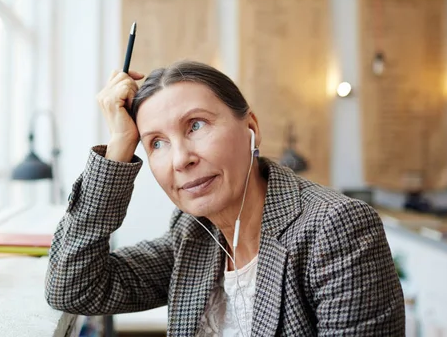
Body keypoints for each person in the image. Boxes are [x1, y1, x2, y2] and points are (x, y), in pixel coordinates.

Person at [45, 60, 405, 336]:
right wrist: (118, 148)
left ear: (251, 128)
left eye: (196, 125)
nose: (180, 158)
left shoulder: (335, 227)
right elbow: (74, 288)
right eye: (156, 143)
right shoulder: (194, 234)